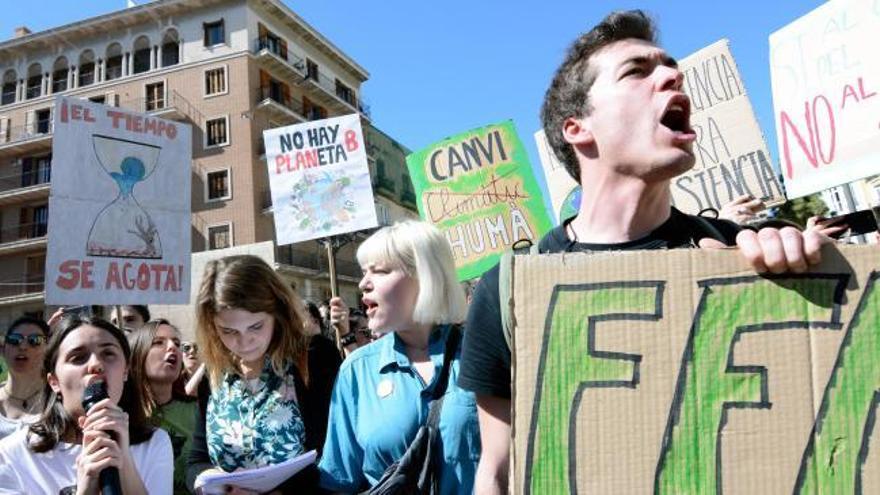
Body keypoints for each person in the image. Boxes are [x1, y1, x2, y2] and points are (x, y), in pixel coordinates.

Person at [458, 10, 831, 493]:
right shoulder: (509, 288)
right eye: (637, 71)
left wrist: (806, 268)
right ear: (578, 128)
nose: (673, 75)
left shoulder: (738, 252)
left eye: (670, 67)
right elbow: (500, 468)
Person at [318, 220, 480, 493]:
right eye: (363, 272)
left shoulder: (485, 355)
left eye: (379, 271)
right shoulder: (356, 370)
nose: (362, 284)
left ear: (425, 276)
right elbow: (338, 481)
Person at [186, 255, 342, 494]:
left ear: (277, 313)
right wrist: (210, 482)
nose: (244, 342)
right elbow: (196, 460)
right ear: (211, 327)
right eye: (228, 331)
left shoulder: (315, 356)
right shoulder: (214, 371)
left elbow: (336, 456)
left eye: (256, 327)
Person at [0, 315, 172, 494]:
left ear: (125, 372)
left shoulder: (155, 442)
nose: (96, 365)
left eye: (108, 354)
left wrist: (124, 462)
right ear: (54, 381)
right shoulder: (11, 455)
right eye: (78, 357)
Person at [128, 319, 196, 495]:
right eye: (158, 342)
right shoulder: (122, 415)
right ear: (137, 354)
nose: (172, 347)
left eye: (177, 343)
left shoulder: (197, 410)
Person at [0, 316, 50, 439]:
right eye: (14, 340)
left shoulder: (60, 401)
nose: (23, 346)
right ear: (3, 350)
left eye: (35, 340)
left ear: (48, 350)